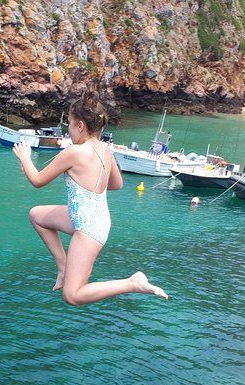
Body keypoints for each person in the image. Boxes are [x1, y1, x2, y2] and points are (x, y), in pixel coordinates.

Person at [12, 95, 168, 305]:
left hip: (89, 229)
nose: (68, 129)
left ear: (81, 125)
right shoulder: (106, 150)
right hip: (90, 217)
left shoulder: (74, 152)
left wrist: (25, 158)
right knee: (37, 215)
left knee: (72, 296)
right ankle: (63, 266)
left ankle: (132, 283)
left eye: (69, 124)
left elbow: (38, 181)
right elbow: (117, 184)